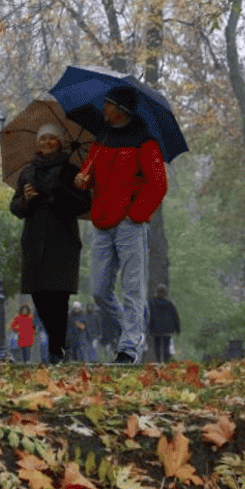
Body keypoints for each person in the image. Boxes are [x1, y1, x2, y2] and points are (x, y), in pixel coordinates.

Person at [74, 85, 168, 364]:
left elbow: (158, 185)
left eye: (108, 104)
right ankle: (130, 331)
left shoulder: (145, 142)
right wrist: (82, 180)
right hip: (100, 223)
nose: (104, 108)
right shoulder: (101, 139)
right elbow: (89, 174)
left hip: (130, 224)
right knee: (100, 292)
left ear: (121, 109)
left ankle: (129, 347)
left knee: (133, 288)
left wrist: (135, 215)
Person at [9, 122, 94, 364]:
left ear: (60, 143)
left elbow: (84, 204)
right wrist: (25, 200)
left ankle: (57, 350)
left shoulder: (71, 171)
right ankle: (59, 345)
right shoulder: (27, 172)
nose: (47, 142)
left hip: (62, 241)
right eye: (43, 138)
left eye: (52, 138)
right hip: (34, 241)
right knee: (39, 296)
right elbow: (14, 208)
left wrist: (62, 191)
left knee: (58, 298)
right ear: (37, 143)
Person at [147, 283, 181, 363]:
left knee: (157, 347)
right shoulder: (170, 303)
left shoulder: (152, 303)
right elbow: (175, 316)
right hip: (167, 329)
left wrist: (149, 328)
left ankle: (159, 362)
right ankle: (166, 362)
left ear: (157, 292)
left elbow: (149, 316)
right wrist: (177, 328)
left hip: (156, 329)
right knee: (166, 346)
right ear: (165, 292)